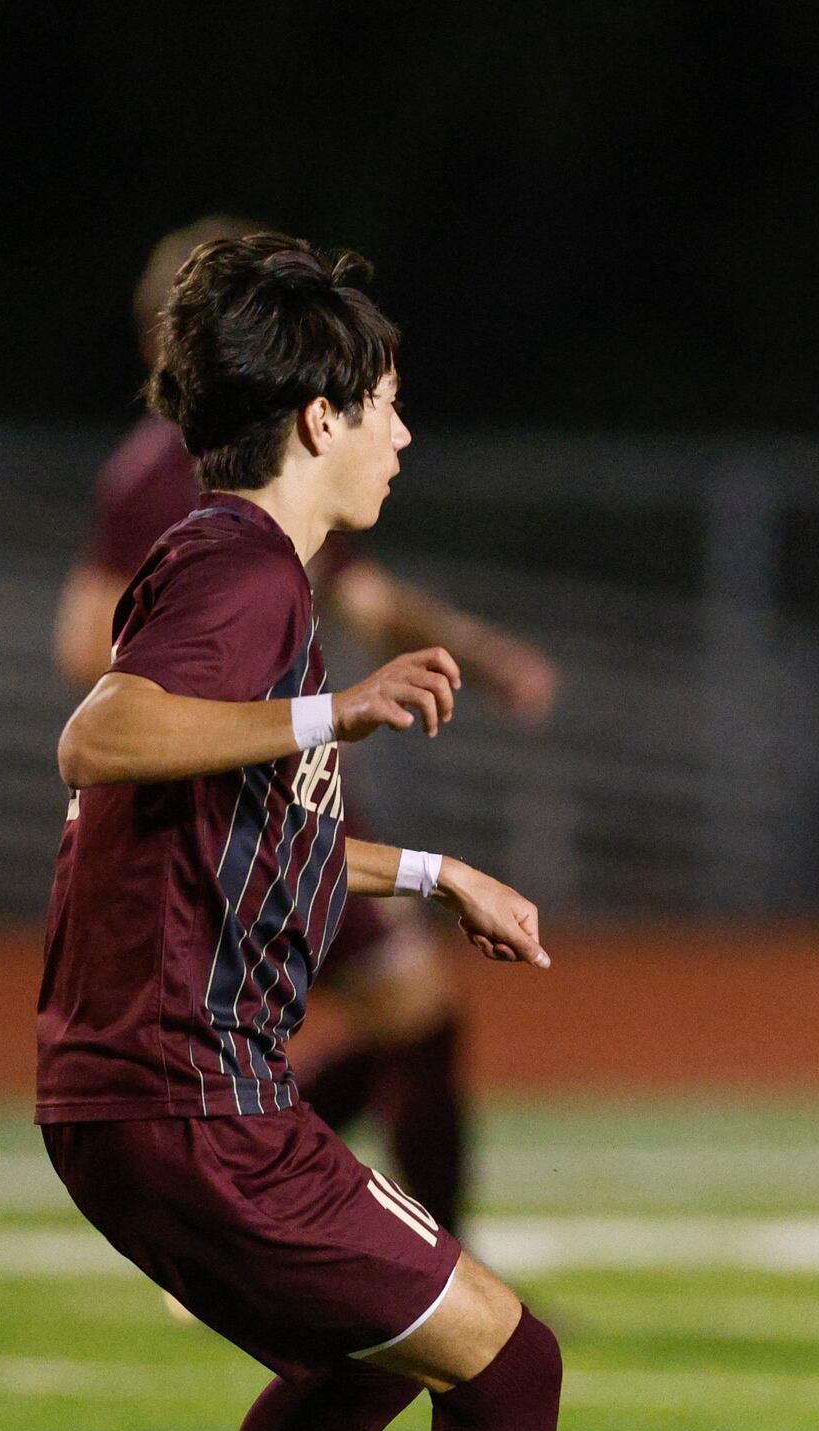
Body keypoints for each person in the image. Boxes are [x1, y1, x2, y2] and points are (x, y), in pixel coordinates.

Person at [42, 233, 720, 1431]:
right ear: (320, 418)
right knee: (511, 1358)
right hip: (186, 1093)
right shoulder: (240, 568)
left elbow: (224, 817)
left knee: (373, 1355)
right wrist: (335, 710)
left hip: (140, 1091)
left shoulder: (226, 563)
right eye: (390, 406)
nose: (406, 438)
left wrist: (431, 867)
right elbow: (102, 735)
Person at [52, 216, 562, 1236]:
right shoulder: (193, 502)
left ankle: (272, 1218)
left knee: (394, 1014)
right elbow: (94, 685)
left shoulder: (279, 490)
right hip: (232, 796)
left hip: (281, 789)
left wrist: (480, 653)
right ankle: (308, 1227)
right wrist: (266, 703)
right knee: (396, 1015)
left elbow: (362, 597)